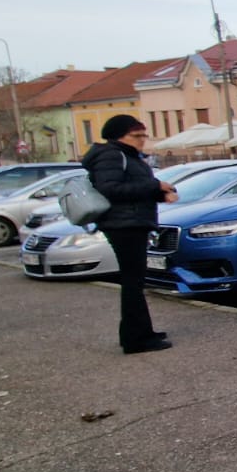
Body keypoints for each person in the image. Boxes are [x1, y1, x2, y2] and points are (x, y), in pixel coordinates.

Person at [82, 115, 178, 355]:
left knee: (135, 281)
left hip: (132, 221)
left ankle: (142, 332)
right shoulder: (112, 155)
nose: (142, 140)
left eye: (144, 135)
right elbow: (111, 189)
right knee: (132, 282)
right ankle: (136, 339)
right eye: (137, 136)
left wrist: (160, 192)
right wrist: (155, 187)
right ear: (119, 135)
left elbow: (134, 189)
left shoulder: (129, 156)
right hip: (123, 225)